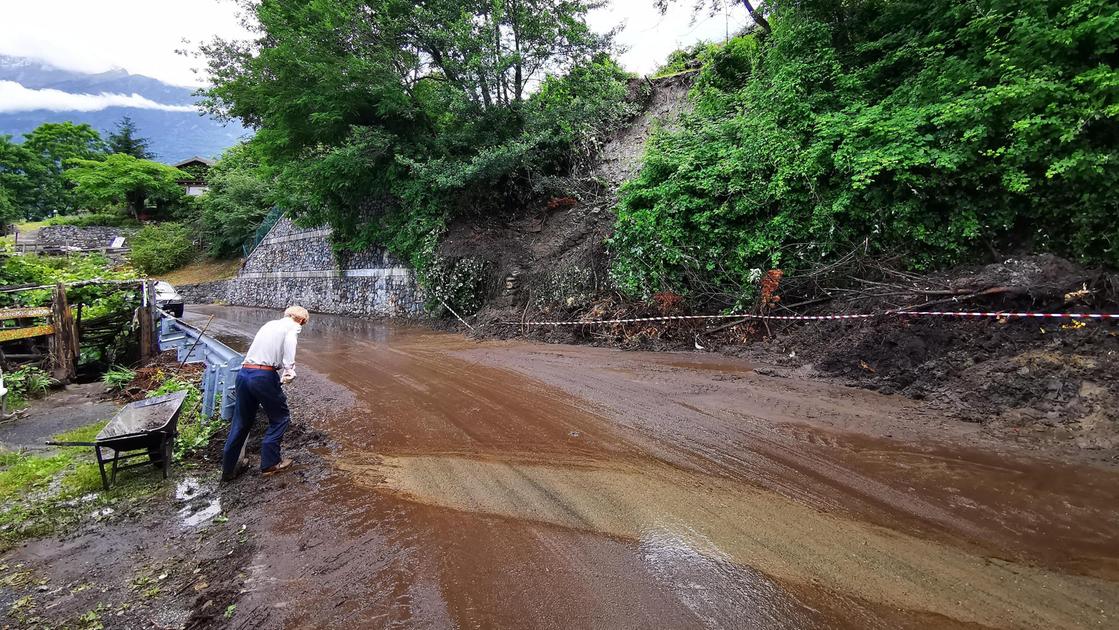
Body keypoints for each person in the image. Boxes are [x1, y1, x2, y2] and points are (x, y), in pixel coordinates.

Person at [221, 305, 309, 482]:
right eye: (303, 323)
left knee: (241, 422)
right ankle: (270, 463)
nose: (301, 326)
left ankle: (228, 470)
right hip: (263, 376)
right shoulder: (293, 326)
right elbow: (290, 343)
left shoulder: (269, 325)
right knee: (280, 418)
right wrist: (289, 369)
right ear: (300, 319)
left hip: (244, 373)